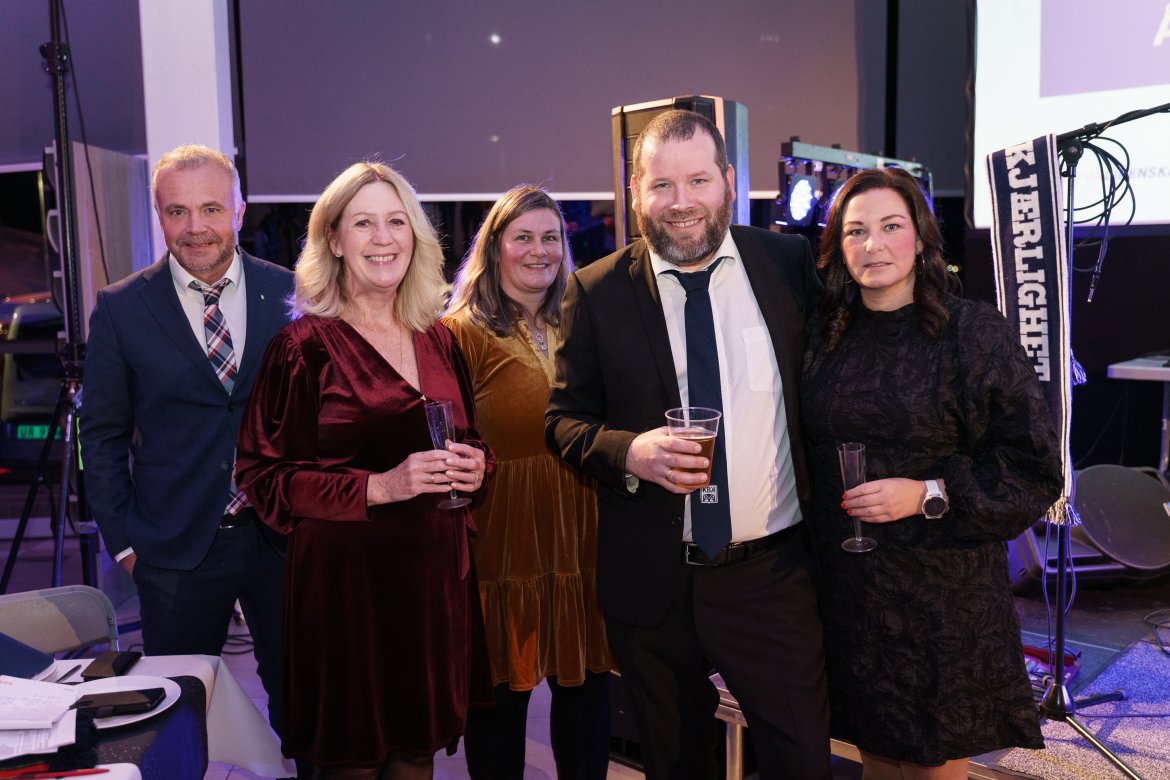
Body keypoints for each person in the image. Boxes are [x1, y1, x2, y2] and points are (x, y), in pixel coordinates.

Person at [545, 110, 832, 779]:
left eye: (698, 180)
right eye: (662, 184)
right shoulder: (596, 291)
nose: (681, 202)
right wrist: (629, 453)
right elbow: (563, 421)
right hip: (653, 583)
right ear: (635, 191)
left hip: (770, 579)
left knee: (802, 764)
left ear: (729, 180)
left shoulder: (786, 265)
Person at [801, 167, 1062, 779]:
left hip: (941, 593)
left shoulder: (971, 332)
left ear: (920, 238)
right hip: (850, 592)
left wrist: (926, 494)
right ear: (838, 246)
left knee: (931, 763)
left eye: (891, 226)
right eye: (856, 231)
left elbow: (1033, 466)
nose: (874, 244)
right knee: (872, 756)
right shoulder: (823, 335)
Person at [235, 161, 493, 779]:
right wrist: (380, 486)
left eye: (396, 222)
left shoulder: (439, 338)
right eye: (363, 223)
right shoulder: (303, 347)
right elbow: (263, 478)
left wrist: (480, 466)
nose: (383, 238)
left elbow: (471, 439)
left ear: (416, 236)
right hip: (347, 599)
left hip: (431, 590)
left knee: (415, 760)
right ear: (334, 239)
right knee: (351, 763)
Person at [80, 143, 294, 738]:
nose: (195, 227)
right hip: (172, 549)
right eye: (177, 211)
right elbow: (101, 435)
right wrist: (125, 544)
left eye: (211, 209)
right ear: (160, 215)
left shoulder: (292, 294)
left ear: (239, 211)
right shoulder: (121, 308)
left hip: (283, 538)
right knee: (175, 719)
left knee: (305, 706)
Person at [443, 186, 615, 780]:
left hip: (584, 532)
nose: (539, 251)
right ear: (495, 248)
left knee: (587, 701)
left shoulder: (584, 321)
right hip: (502, 539)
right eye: (523, 237)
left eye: (550, 237)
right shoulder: (458, 334)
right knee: (499, 708)